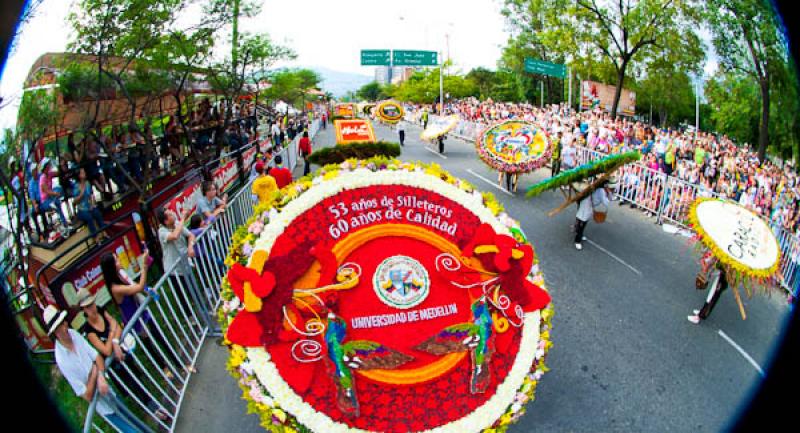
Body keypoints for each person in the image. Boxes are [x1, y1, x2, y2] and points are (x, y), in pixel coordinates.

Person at [45, 305, 143, 433]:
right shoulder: (62, 359)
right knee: (130, 430)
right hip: (101, 405)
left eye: (63, 322)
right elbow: (87, 395)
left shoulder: (74, 334)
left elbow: (97, 357)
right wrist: (94, 373)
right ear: (55, 333)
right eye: (60, 326)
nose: (65, 327)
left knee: (133, 420)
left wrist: (100, 375)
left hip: (108, 390)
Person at [77, 287, 169, 421]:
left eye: (92, 304)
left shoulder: (101, 310)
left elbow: (117, 326)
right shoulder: (88, 330)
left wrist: (114, 341)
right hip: (114, 365)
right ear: (83, 310)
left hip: (122, 352)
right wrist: (112, 333)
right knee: (133, 386)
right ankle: (153, 410)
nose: (92, 308)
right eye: (88, 307)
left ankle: (155, 402)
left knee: (138, 377)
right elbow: (106, 350)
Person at [101, 251, 194, 378]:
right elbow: (138, 287)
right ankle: (164, 368)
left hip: (141, 311)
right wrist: (144, 266)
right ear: (111, 267)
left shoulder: (121, 275)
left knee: (160, 337)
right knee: (149, 344)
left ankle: (180, 364)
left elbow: (138, 286)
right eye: (116, 261)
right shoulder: (115, 288)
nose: (119, 262)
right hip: (134, 320)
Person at [157, 208, 198, 316]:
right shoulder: (162, 232)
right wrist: (183, 218)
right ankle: (189, 316)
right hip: (173, 269)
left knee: (192, 287)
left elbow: (190, 235)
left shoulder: (176, 224)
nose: (173, 213)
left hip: (185, 263)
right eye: (170, 214)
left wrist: (190, 246)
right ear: (165, 221)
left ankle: (200, 307)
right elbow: (174, 236)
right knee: (181, 294)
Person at [574, 178, 614, 250]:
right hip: (587, 204)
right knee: (582, 222)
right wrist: (609, 192)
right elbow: (606, 202)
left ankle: (579, 233)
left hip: (588, 204)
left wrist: (609, 192)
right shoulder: (601, 191)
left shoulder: (601, 189)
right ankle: (577, 240)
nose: (609, 187)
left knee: (583, 220)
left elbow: (610, 199)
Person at [688, 260, 729, 324]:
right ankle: (702, 312)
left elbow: (722, 269)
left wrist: (708, 266)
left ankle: (699, 317)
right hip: (722, 279)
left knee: (711, 298)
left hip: (721, 281)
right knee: (711, 297)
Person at [38, 158, 71, 234]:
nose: (49, 166)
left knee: (58, 189)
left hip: (51, 197)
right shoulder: (42, 178)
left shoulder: (49, 173)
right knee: (56, 203)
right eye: (48, 165)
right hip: (45, 201)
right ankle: (63, 224)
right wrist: (55, 194)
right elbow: (47, 191)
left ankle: (64, 223)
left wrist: (62, 166)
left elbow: (58, 173)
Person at [74, 168, 108, 240]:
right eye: (82, 173)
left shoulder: (87, 183)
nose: (85, 174)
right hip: (82, 209)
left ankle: (104, 232)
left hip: (89, 206)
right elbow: (75, 201)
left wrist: (92, 204)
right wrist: (81, 194)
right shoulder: (76, 186)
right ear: (79, 176)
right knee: (89, 217)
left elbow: (91, 195)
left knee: (97, 213)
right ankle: (95, 237)